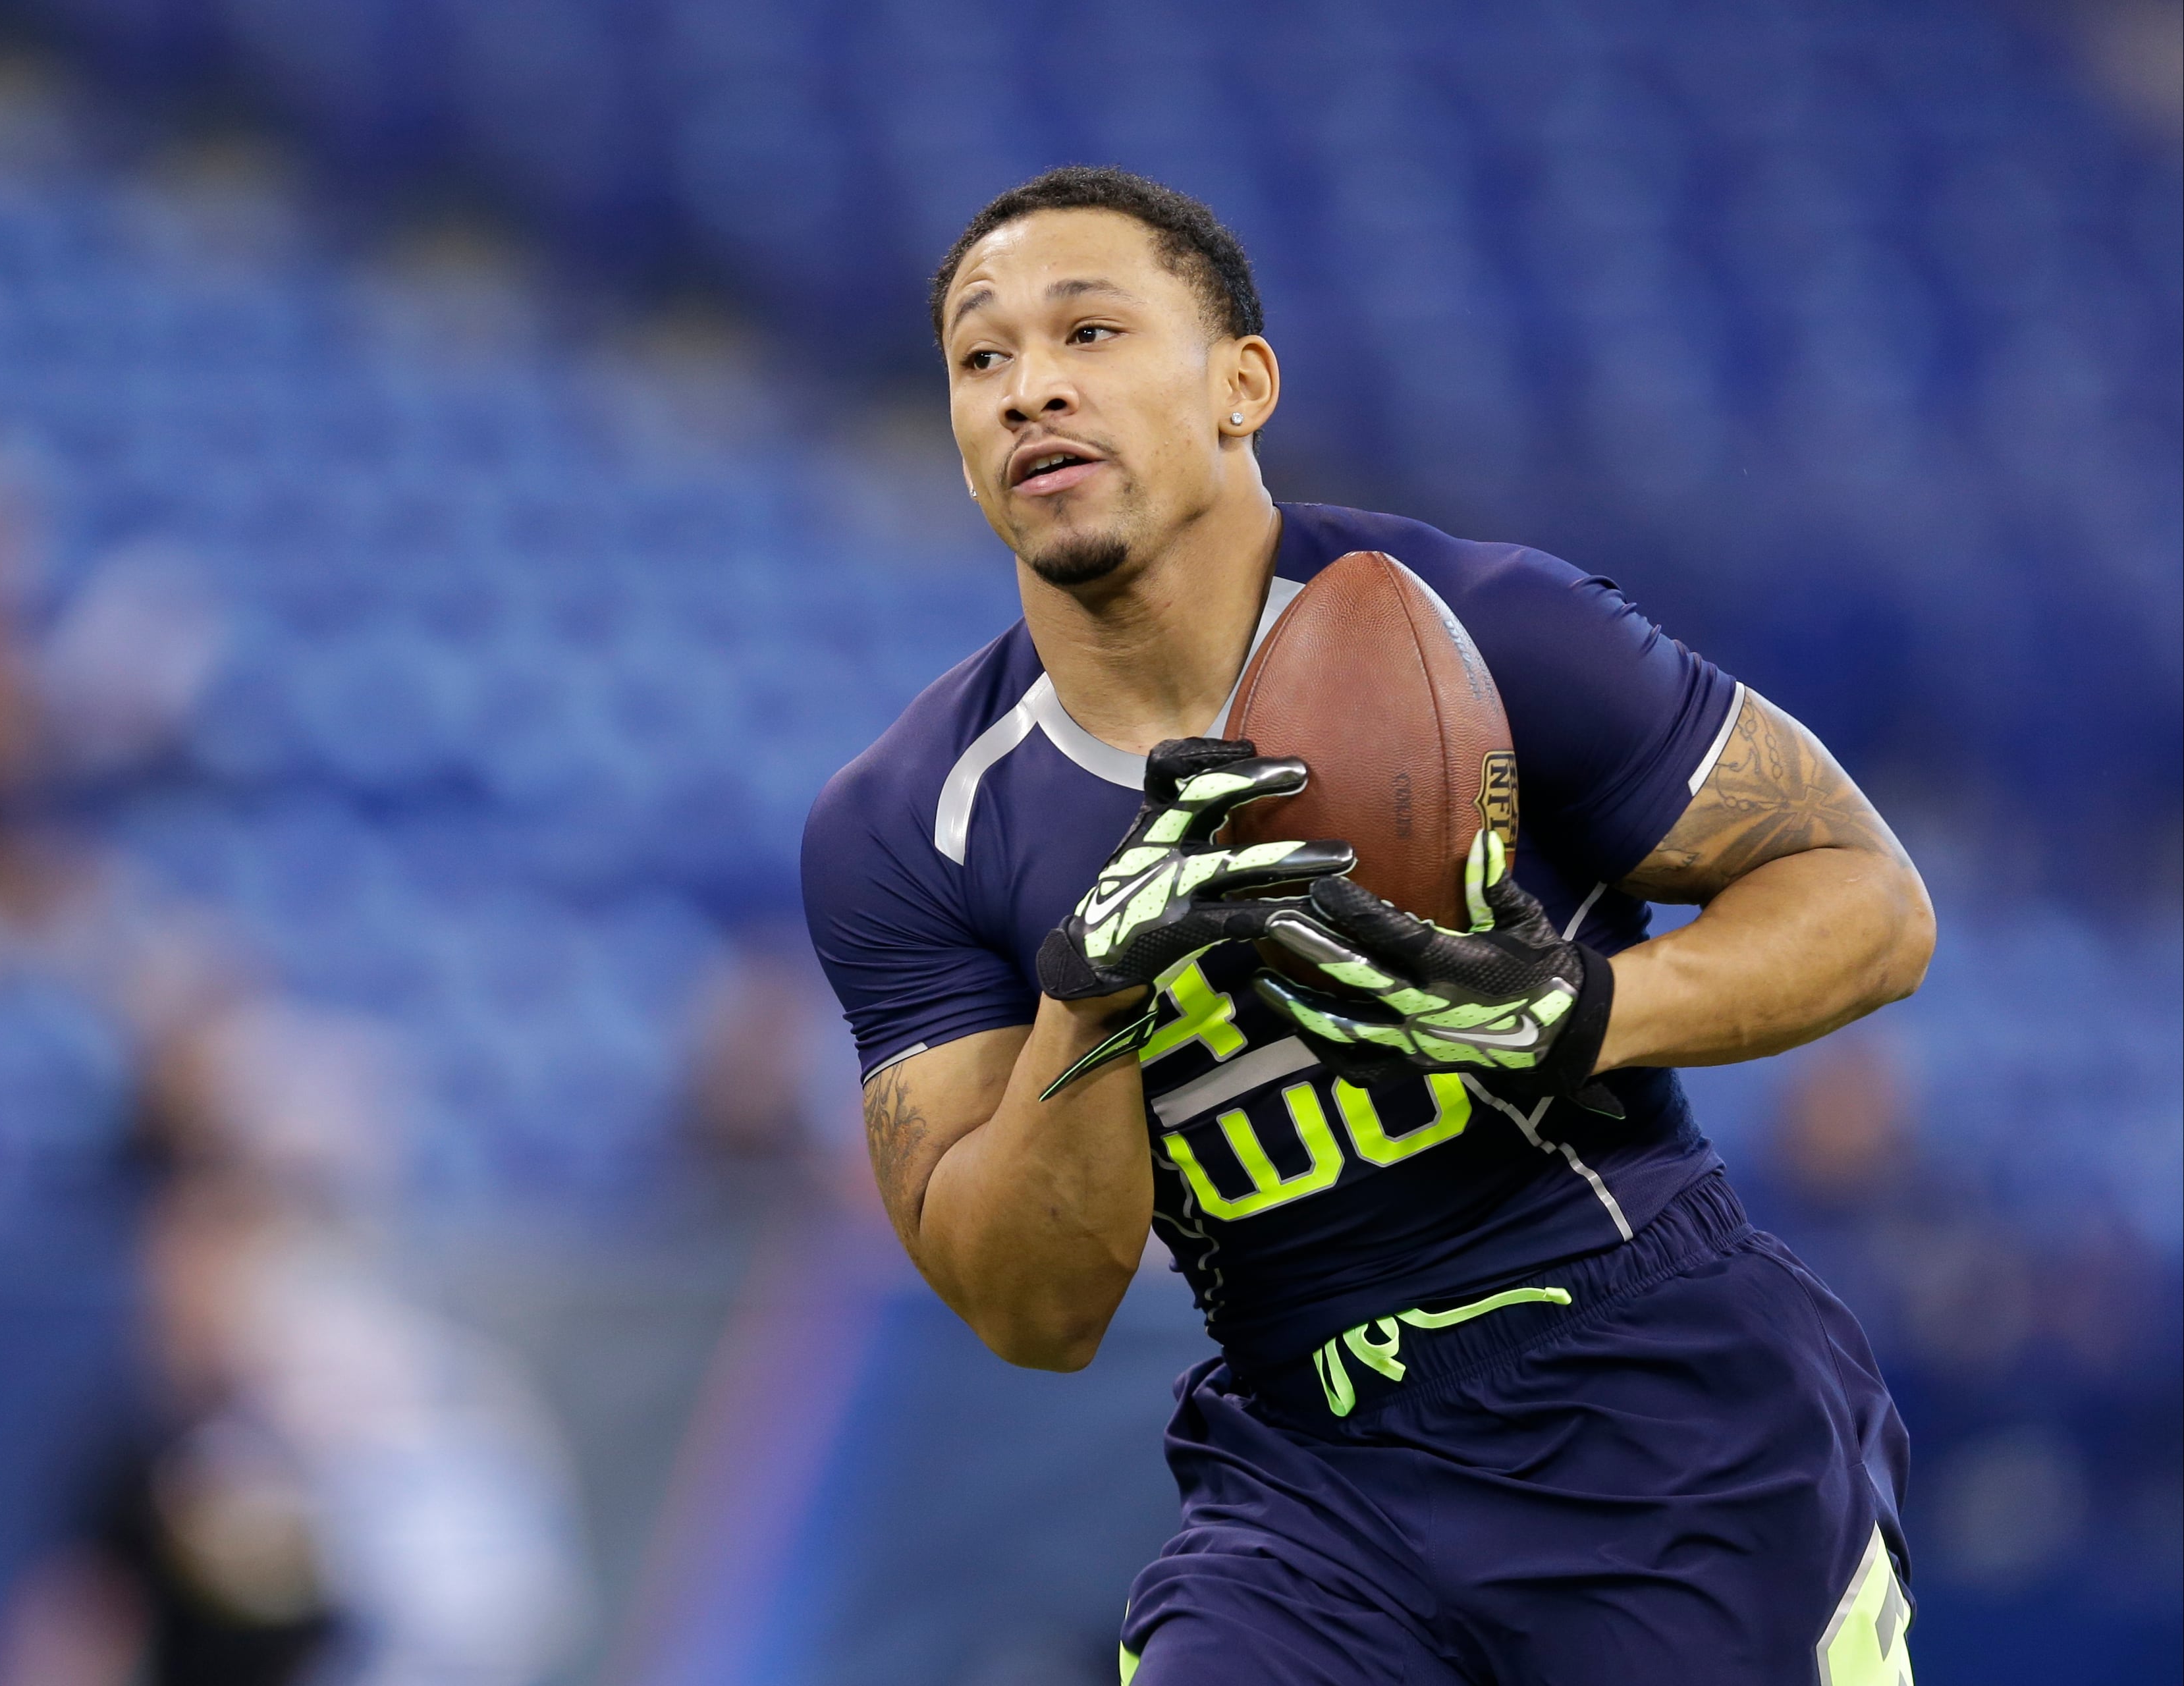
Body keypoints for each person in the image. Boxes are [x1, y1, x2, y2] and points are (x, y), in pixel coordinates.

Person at [800, 168, 1934, 1686]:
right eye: (981, 357)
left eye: (1089, 331)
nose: (1030, 390)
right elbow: (1031, 1309)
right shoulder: (904, 823)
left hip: (1657, 1402)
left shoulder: (1494, 624)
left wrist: (1572, 1011)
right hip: (1308, 1472)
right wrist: (1090, 1003)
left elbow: (1870, 899)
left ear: (1240, 385)